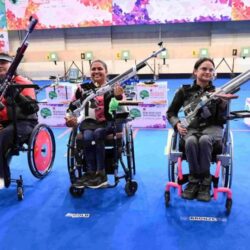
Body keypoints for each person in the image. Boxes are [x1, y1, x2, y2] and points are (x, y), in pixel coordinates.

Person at [167, 57, 233, 202]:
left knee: (204, 140)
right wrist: (177, 124)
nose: (208, 72)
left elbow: (222, 118)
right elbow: (170, 113)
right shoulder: (183, 92)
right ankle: (193, 181)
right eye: (204, 69)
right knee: (190, 141)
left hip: (212, 129)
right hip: (191, 129)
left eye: (211, 70)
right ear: (195, 72)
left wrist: (223, 104)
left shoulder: (219, 92)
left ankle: (205, 182)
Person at [65, 59, 124, 188]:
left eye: (100, 69)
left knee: (98, 133)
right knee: (86, 136)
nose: (96, 71)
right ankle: (91, 173)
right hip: (89, 123)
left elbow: (121, 105)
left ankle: (101, 174)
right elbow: (71, 108)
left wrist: (118, 97)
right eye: (93, 69)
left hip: (108, 123)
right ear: (90, 72)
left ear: (106, 72)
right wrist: (69, 118)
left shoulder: (114, 87)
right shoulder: (82, 89)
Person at [0, 52, 39, 189]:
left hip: (24, 123)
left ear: (12, 65)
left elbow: (32, 108)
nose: (0, 65)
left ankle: (2, 178)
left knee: (2, 137)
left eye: (3, 62)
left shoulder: (23, 82)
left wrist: (16, 95)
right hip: (4, 123)